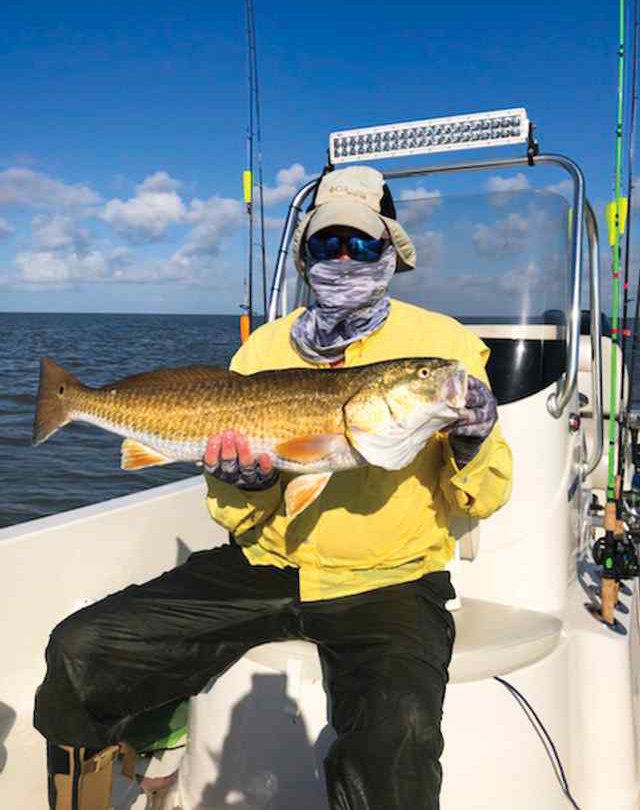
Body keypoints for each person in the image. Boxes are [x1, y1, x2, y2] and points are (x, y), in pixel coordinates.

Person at [34, 165, 512, 810]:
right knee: (81, 648)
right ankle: (88, 789)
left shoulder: (443, 345)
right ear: (304, 256)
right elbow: (235, 513)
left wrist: (473, 439)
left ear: (392, 253)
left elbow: (482, 498)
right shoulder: (262, 350)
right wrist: (249, 484)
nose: (345, 258)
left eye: (364, 244)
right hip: (267, 565)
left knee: (397, 737)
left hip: (391, 581)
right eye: (326, 244)